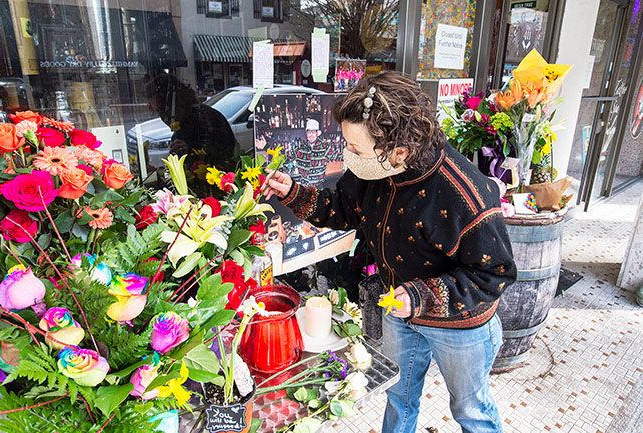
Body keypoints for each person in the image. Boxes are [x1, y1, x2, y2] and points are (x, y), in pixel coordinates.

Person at [262, 71, 516, 433]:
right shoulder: (373, 170)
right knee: (398, 395)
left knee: (470, 409)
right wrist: (295, 194)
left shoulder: (465, 196)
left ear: (399, 151)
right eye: (346, 144)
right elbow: (344, 208)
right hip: (399, 310)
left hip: (460, 325)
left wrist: (421, 296)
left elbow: (495, 274)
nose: (347, 156)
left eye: (356, 149)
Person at [144, 73, 237, 195]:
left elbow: (220, 156)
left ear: (177, 102)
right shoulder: (183, 122)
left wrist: (188, 152)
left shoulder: (205, 119)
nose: (163, 117)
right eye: (158, 112)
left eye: (163, 110)